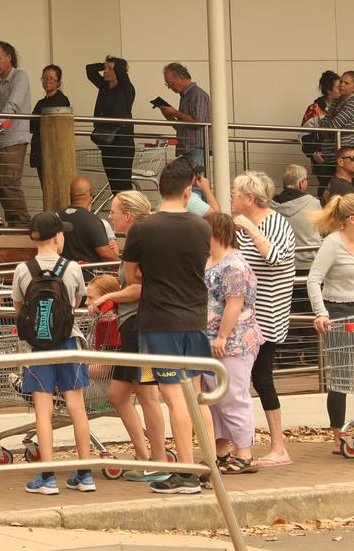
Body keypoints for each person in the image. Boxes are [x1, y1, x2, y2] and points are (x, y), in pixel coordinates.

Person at [120, 158, 215, 495]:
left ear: (159, 189)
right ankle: (209, 465)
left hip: (160, 321)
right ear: (188, 190)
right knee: (195, 396)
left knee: (173, 397)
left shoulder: (144, 228)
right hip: (195, 318)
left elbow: (131, 276)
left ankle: (186, 473)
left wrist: (154, 273)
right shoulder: (202, 227)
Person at [85, 190, 167, 482]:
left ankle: (159, 460)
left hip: (141, 326)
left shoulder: (143, 241)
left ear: (128, 215)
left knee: (148, 395)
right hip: (129, 326)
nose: (109, 216)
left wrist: (107, 299)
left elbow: (141, 288)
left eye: (113, 211)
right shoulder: (134, 240)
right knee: (118, 395)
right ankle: (145, 456)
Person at [11, 211, 94, 496]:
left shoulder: (23, 269)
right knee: (76, 407)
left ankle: (47, 477)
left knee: (43, 411)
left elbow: (19, 309)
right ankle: (85, 473)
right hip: (69, 342)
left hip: (39, 348)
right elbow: (76, 301)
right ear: (58, 237)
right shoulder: (71, 268)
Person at [231, 171, 296, 468]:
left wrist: (251, 229)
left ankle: (279, 447)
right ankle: (245, 444)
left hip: (268, 314)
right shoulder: (241, 226)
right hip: (245, 314)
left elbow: (277, 258)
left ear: (249, 198)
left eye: (235, 193)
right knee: (244, 379)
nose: (231, 197)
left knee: (261, 378)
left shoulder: (276, 223)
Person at [201, 212, 264, 475]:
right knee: (214, 397)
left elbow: (235, 303)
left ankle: (244, 451)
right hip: (212, 339)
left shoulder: (233, 265)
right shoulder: (211, 262)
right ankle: (223, 449)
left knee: (233, 395)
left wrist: (223, 336)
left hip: (234, 340)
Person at [307, 193, 354, 455]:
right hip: (338, 312)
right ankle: (339, 436)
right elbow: (314, 280)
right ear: (351, 219)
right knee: (342, 376)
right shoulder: (332, 244)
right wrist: (321, 313)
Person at [0, 41, 31, 226]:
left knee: (10, 184)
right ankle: (13, 225)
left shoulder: (20, 76)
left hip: (14, 139)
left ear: (9, 57)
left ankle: (23, 224)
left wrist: (0, 120)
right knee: (1, 186)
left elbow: (12, 104)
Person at [86, 56, 135, 195]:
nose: (104, 71)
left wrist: (118, 66)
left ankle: (130, 214)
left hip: (122, 143)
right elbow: (89, 69)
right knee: (114, 185)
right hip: (106, 142)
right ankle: (120, 213)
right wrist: (104, 64)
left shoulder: (127, 89)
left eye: (109, 69)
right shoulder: (104, 87)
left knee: (123, 185)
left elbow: (120, 69)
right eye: (104, 68)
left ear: (119, 71)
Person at [158, 63, 210, 172]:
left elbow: (198, 122)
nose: (169, 88)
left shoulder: (197, 94)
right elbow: (183, 128)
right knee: (184, 183)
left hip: (196, 149)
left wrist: (175, 113)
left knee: (194, 186)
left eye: (170, 84)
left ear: (181, 77)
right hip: (188, 149)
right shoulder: (185, 96)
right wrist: (169, 116)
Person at [59, 176, 119, 272]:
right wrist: (122, 265)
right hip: (86, 277)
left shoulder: (57, 218)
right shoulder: (92, 220)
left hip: (61, 274)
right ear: (91, 193)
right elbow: (105, 253)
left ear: (70, 194)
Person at [272, 164, 323, 275]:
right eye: (306, 180)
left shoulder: (271, 205)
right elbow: (322, 231)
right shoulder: (313, 203)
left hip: (282, 264)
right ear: (301, 183)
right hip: (309, 263)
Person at [29, 64, 70, 185]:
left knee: (56, 187)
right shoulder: (40, 102)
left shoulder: (62, 100)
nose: (47, 81)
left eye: (52, 78)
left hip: (54, 152)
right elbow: (32, 125)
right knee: (45, 187)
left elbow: (57, 126)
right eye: (45, 78)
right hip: (40, 149)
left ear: (58, 82)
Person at [302, 71, 341, 199]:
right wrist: (313, 152)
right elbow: (304, 135)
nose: (342, 88)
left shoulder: (346, 107)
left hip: (345, 157)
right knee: (326, 189)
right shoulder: (314, 109)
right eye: (338, 86)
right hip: (324, 159)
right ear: (329, 90)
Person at [318, 70, 354, 178]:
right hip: (330, 157)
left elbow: (333, 127)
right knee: (327, 191)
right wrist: (327, 127)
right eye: (341, 82)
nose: (342, 85)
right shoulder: (336, 101)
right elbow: (322, 125)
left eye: (346, 83)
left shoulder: (352, 102)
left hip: (344, 159)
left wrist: (327, 127)